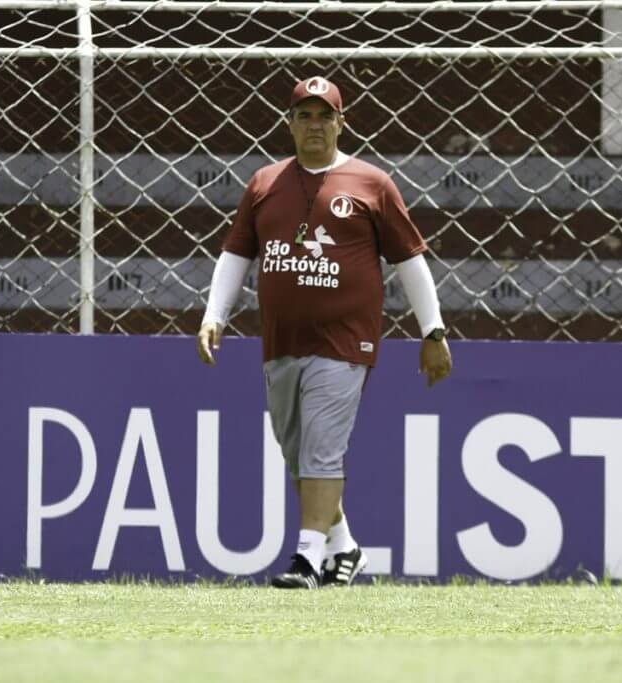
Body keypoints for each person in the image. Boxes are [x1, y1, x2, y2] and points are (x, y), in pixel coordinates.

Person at [196, 76, 452, 589]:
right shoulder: (264, 182)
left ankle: (307, 559)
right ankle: (345, 547)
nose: (315, 124)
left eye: (325, 115)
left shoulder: (372, 183)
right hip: (281, 342)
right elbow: (236, 255)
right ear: (290, 123)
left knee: (321, 449)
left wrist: (434, 330)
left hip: (345, 341)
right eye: (305, 115)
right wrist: (213, 315)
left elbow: (410, 261)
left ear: (342, 121)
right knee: (298, 452)